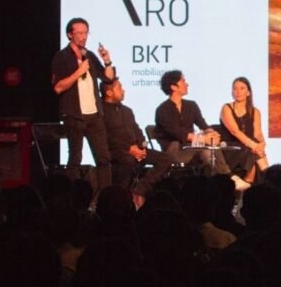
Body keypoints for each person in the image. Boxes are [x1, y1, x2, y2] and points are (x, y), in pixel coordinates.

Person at [50, 17, 114, 192]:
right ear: (70, 35)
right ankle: (76, 197)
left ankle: (105, 196)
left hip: (94, 115)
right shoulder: (62, 57)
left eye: (86, 32)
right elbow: (58, 87)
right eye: (79, 33)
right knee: (75, 158)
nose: (83, 36)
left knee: (103, 158)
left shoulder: (89, 55)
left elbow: (108, 78)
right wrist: (78, 72)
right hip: (74, 114)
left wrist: (107, 60)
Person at [101, 79, 173, 207]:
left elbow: (137, 130)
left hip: (137, 150)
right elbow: (106, 137)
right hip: (117, 151)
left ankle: (140, 190)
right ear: (109, 92)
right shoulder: (101, 112)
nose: (123, 90)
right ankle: (121, 198)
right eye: (119, 88)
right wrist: (129, 149)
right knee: (128, 160)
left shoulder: (127, 111)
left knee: (165, 159)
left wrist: (141, 147)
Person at [153, 70, 231, 176]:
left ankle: (223, 178)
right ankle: (228, 176)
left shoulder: (191, 105)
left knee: (209, 151)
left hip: (192, 148)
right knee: (207, 152)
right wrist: (203, 139)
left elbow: (203, 124)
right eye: (183, 81)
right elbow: (178, 133)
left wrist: (212, 134)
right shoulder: (162, 110)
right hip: (175, 151)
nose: (187, 84)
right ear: (173, 87)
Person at [220, 77, 269, 185]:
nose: (238, 91)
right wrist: (255, 146)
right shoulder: (226, 108)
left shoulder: (255, 111)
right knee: (253, 154)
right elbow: (235, 131)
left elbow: (258, 133)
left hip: (249, 149)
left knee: (255, 154)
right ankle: (265, 178)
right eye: (235, 88)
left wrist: (262, 145)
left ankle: (250, 183)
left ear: (248, 92)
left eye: (242, 88)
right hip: (231, 148)